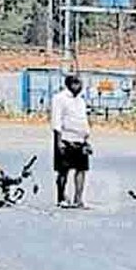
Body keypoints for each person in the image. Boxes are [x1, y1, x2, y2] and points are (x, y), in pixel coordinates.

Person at [50, 75, 91, 208]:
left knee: (82, 169)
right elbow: (56, 120)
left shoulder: (80, 101)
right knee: (63, 170)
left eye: (80, 84)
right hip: (65, 138)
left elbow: (83, 121)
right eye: (76, 84)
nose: (79, 87)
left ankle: (78, 199)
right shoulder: (60, 99)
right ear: (69, 84)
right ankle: (61, 197)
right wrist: (59, 141)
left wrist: (86, 140)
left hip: (80, 139)